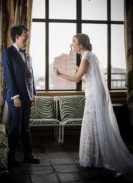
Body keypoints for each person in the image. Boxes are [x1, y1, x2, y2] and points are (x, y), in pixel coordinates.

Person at [55, 33, 133, 176]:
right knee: (94, 124)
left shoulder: (86, 56)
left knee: (92, 123)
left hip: (94, 95)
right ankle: (94, 156)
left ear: (81, 44)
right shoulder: (90, 55)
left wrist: (60, 75)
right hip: (93, 93)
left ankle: (95, 158)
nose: (72, 44)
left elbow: (77, 78)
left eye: (74, 41)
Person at [2, 25, 40, 166]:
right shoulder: (8, 53)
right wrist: (15, 96)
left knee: (25, 127)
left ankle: (28, 154)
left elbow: (31, 76)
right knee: (14, 128)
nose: (27, 37)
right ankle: (10, 157)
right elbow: (9, 76)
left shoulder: (26, 54)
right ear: (17, 36)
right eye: (25, 35)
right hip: (15, 98)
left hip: (27, 97)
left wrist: (33, 94)